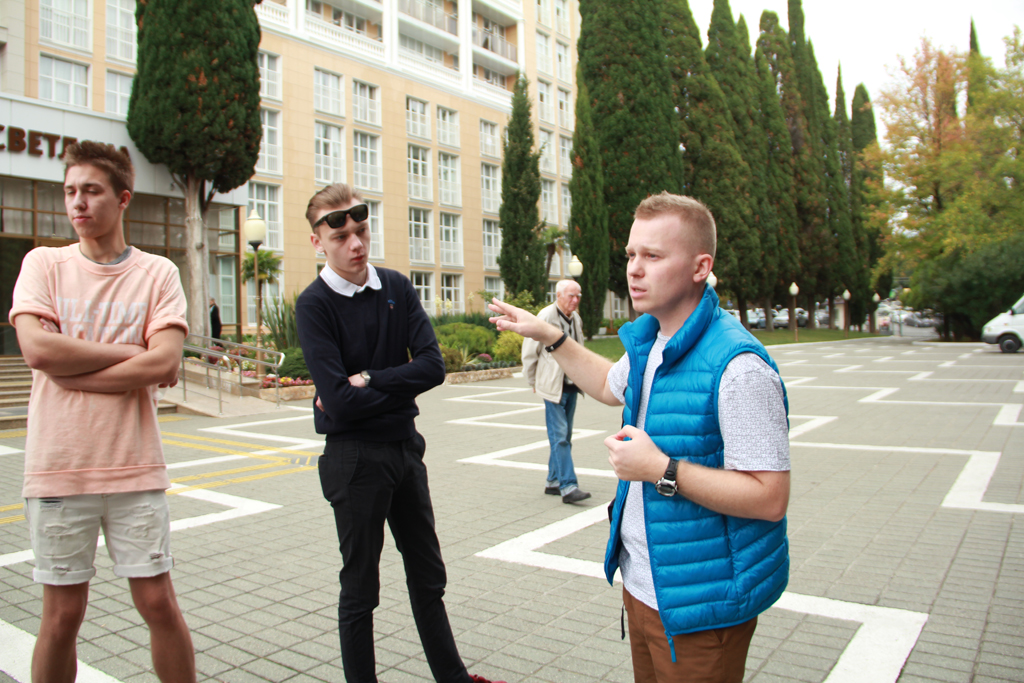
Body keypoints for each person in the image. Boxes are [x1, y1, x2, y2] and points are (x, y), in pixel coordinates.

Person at [490, 192, 790, 683]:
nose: (634, 269)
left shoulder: (739, 368)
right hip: (643, 587)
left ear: (701, 267)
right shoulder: (652, 339)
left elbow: (770, 498)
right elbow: (608, 385)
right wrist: (548, 335)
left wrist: (661, 470)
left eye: (653, 255)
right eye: (631, 254)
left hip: (702, 604)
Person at [295, 183, 503, 683]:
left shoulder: (396, 287)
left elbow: (433, 367)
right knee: (360, 589)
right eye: (340, 236)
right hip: (354, 459)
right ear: (318, 242)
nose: (356, 244)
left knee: (428, 575)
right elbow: (338, 403)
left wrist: (369, 379)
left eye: (362, 231)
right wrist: (396, 392)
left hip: (405, 451)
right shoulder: (314, 304)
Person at [10, 141, 195, 683]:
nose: (78, 202)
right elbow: (38, 351)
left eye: (91, 191)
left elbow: (165, 361)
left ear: (123, 198)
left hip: (134, 467)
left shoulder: (157, 273)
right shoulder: (44, 264)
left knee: (158, 602)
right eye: (70, 191)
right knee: (61, 615)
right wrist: (133, 354)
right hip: (58, 468)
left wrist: (74, 370)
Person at [521, 279, 591, 504]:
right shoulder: (546, 316)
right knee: (560, 436)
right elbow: (530, 350)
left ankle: (552, 481)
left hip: (571, 385)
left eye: (578, 296)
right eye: (571, 296)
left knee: (565, 436)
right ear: (559, 296)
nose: (575, 300)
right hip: (552, 386)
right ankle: (568, 487)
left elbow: (579, 349)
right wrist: (532, 380)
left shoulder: (575, 318)